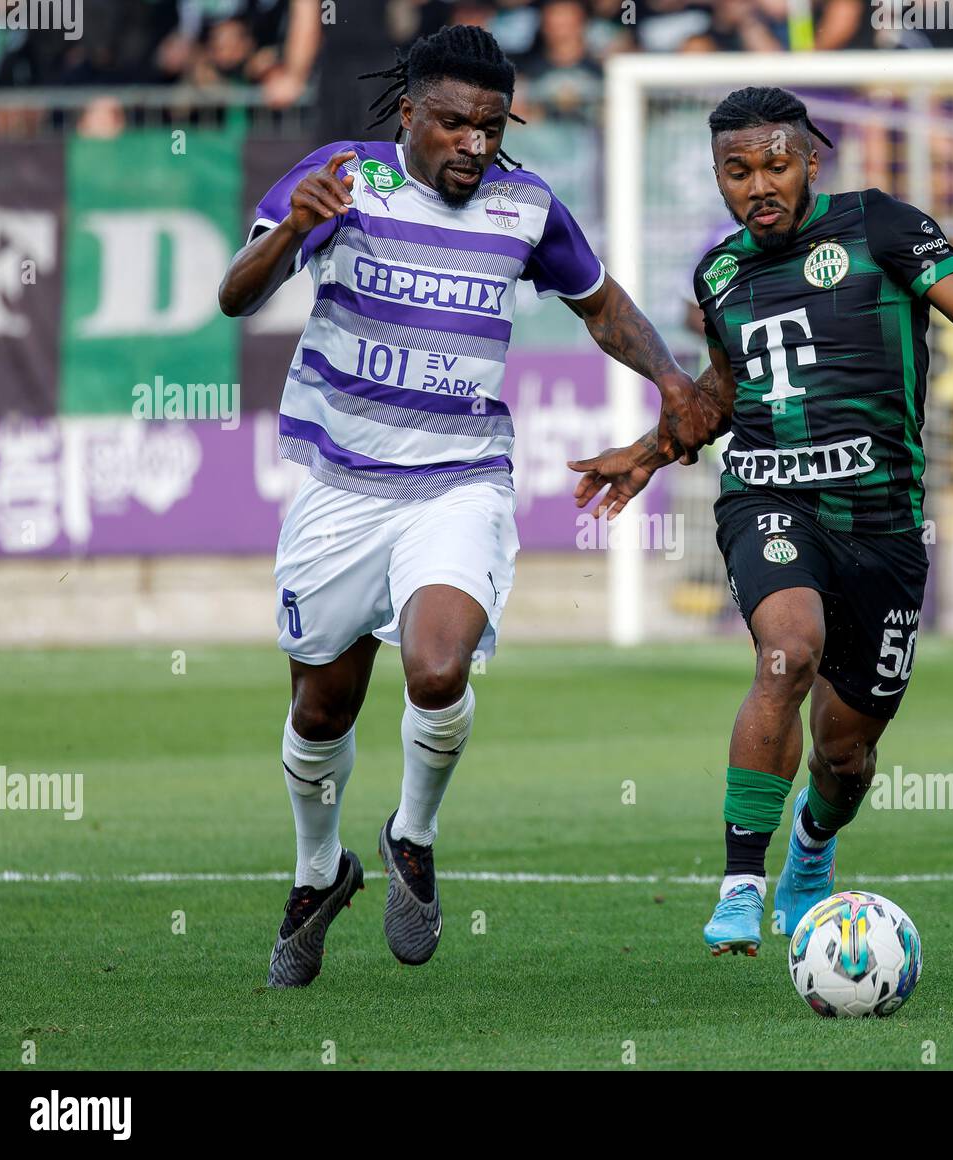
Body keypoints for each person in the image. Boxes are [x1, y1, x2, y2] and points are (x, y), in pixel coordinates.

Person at [218, 23, 701, 987]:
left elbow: (600, 302)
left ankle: (413, 837)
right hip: (341, 487)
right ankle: (319, 873)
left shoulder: (526, 206)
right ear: (409, 115)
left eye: (490, 126)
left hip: (458, 479)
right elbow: (235, 296)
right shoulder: (342, 176)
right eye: (453, 125)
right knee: (323, 704)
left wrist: (673, 381)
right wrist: (293, 232)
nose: (474, 146)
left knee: (436, 671)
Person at [569, 86, 953, 956]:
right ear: (716, 176)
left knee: (845, 753)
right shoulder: (717, 275)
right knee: (787, 651)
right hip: (768, 497)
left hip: (885, 525)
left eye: (775, 164)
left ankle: (812, 851)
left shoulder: (881, 226)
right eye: (736, 171)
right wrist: (644, 452)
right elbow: (723, 396)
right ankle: (741, 883)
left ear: (809, 157)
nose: (759, 186)